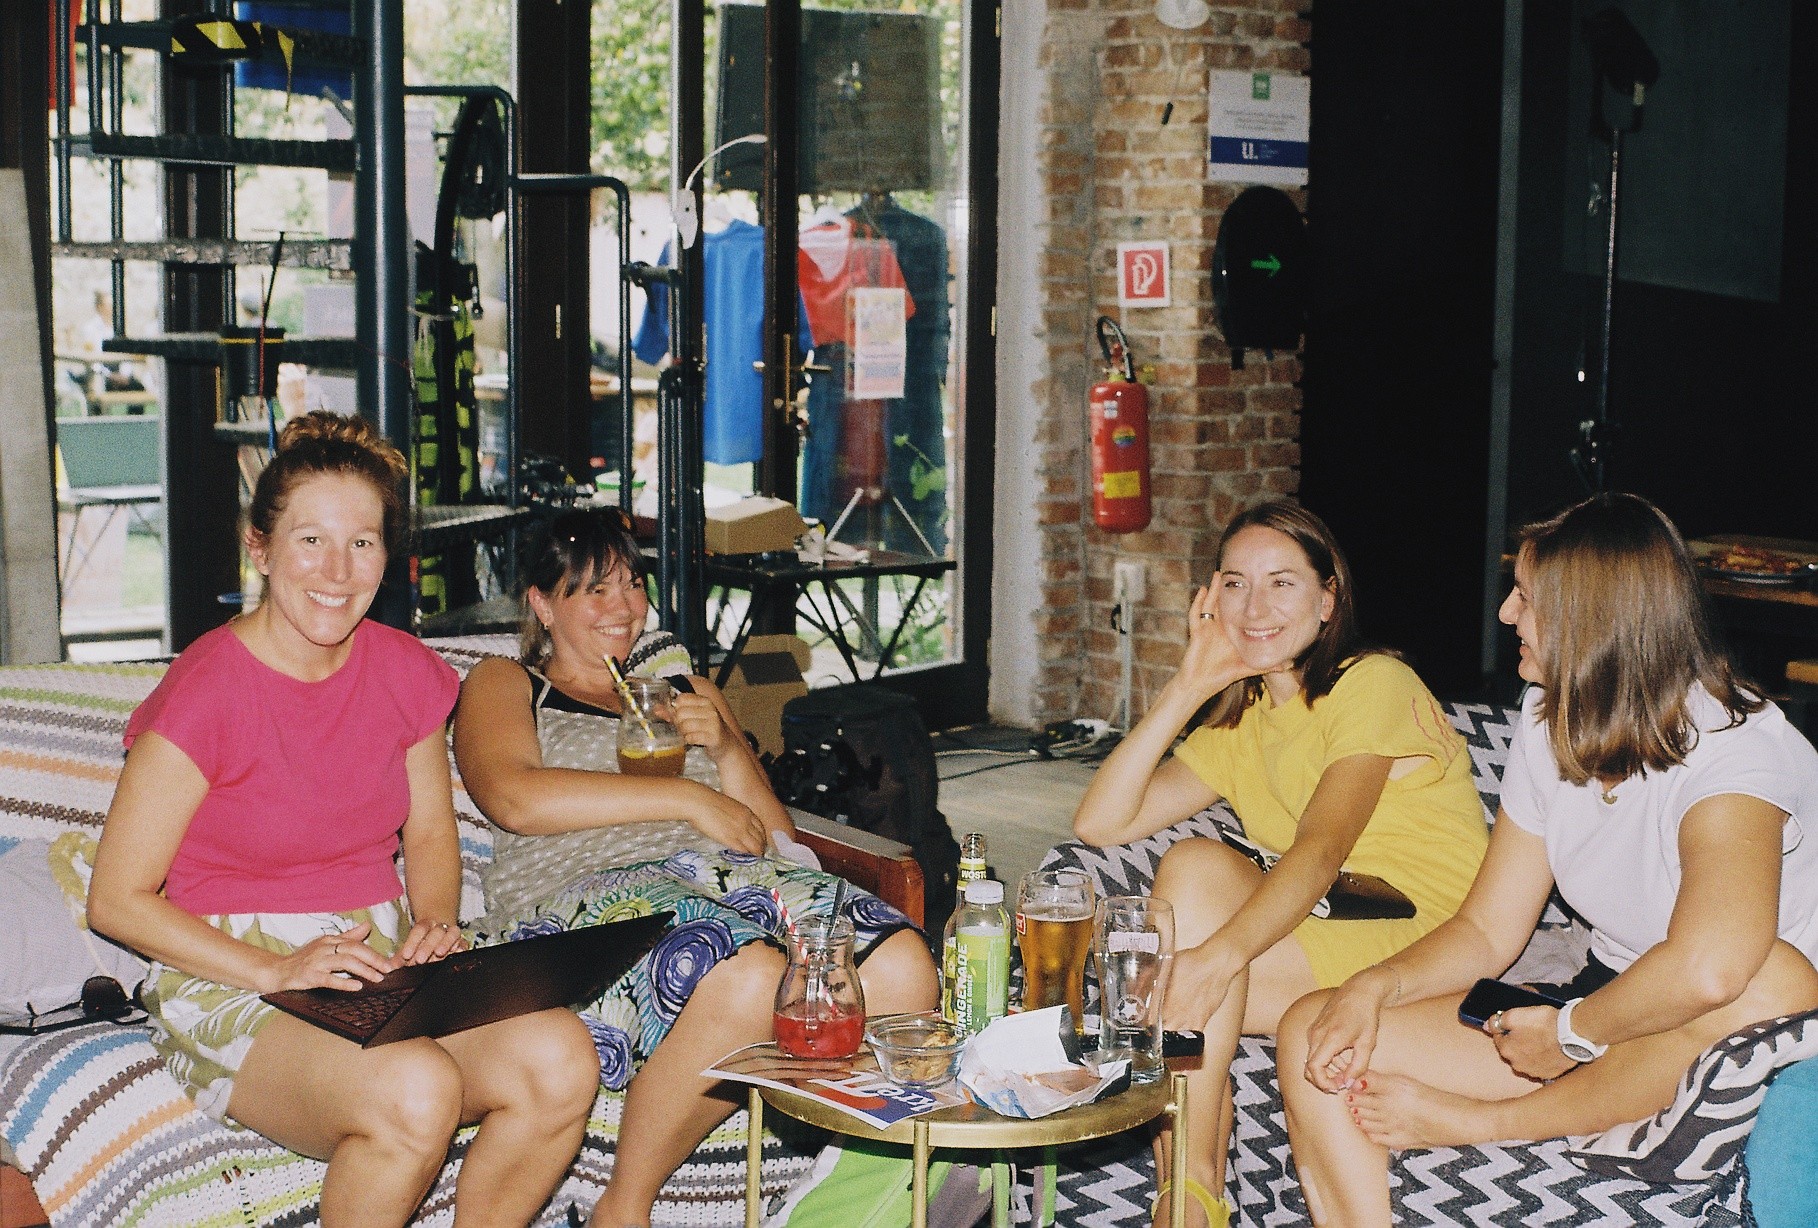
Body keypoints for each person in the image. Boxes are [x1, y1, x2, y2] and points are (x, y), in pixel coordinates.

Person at [87, 412, 601, 1228]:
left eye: (362, 542)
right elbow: (116, 899)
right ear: (260, 548)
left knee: (561, 1057)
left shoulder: (403, 669)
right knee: (417, 1088)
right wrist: (273, 971)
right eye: (311, 540)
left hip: (374, 964)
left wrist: (435, 922)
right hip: (234, 975)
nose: (337, 570)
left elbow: (428, 834)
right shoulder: (208, 688)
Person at [1280, 492, 1818, 1228]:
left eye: (1526, 598)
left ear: (1591, 621)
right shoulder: (1549, 719)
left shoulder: (1736, 752)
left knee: (1770, 973)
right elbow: (1488, 929)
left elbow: (1711, 969)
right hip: (1611, 997)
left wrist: (1573, 1033)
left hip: (1737, 1021)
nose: (1506, 614)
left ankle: (1486, 1123)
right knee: (1315, 1030)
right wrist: (1374, 986)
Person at [452, 507, 939, 1228]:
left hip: (727, 881)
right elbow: (512, 798)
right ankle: (624, 1207)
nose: (624, 608)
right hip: (583, 894)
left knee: (903, 970)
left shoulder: (687, 693)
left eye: (632, 584)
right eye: (595, 590)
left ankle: (836, 1201)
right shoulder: (509, 683)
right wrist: (686, 796)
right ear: (543, 604)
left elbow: (778, 842)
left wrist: (728, 750)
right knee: (745, 977)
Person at [1072, 500, 1490, 1228]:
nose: (1254, 607)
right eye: (1235, 584)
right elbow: (1101, 822)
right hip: (1323, 919)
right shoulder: (1245, 719)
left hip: (1421, 937)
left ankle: (1189, 1186)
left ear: (1329, 600)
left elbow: (1321, 851)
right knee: (1194, 871)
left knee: (1159, 976)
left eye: (1282, 583)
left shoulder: (1374, 683)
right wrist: (1189, 685)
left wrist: (1218, 959)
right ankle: (1193, 1182)